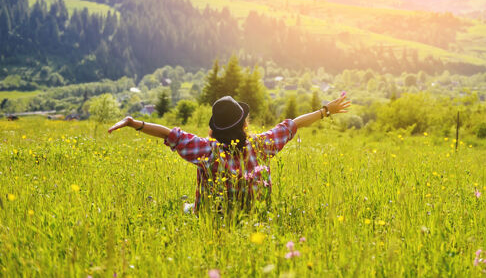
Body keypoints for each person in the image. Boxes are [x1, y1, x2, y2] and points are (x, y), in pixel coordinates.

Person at [107, 92, 351, 214]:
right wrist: (326, 111)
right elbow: (293, 124)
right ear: (244, 125)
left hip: (210, 219)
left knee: (184, 207)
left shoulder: (206, 150)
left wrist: (134, 123)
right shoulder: (260, 146)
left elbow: (170, 134)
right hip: (253, 220)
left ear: (214, 130)